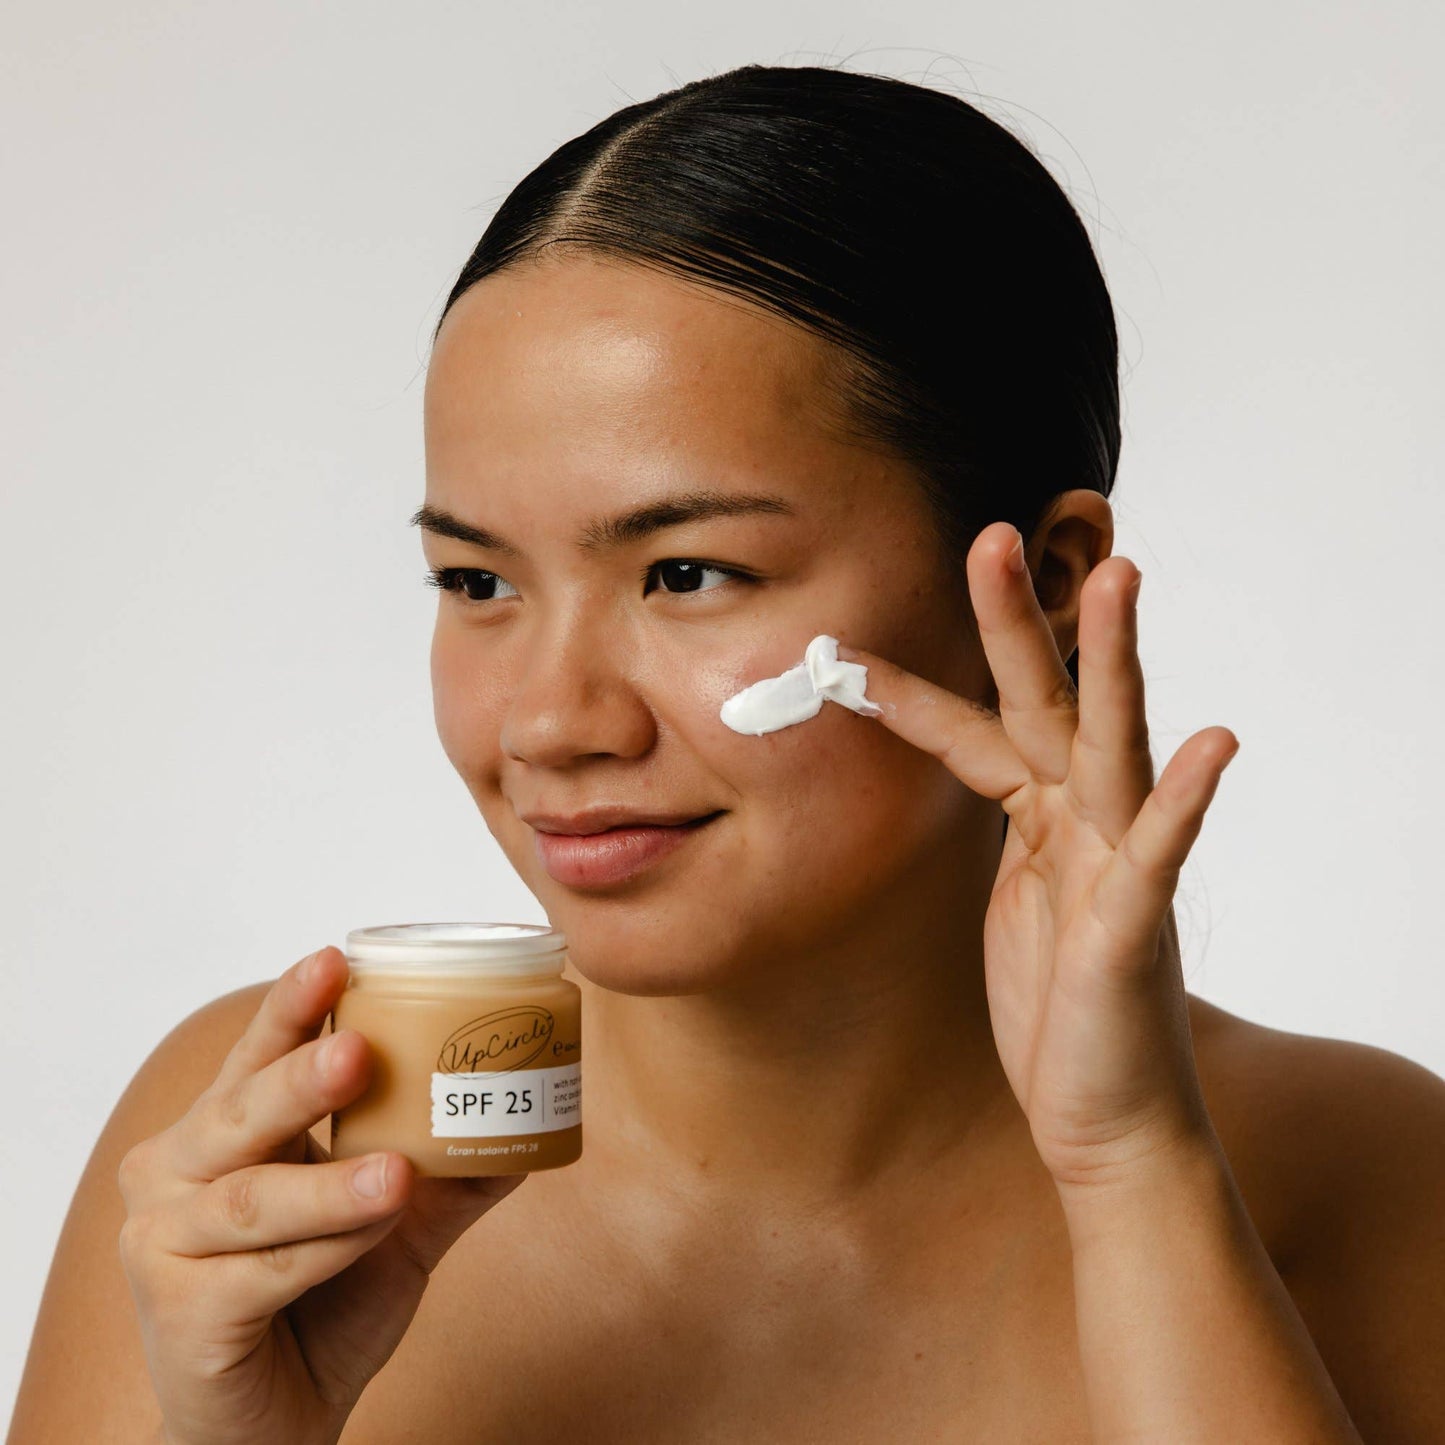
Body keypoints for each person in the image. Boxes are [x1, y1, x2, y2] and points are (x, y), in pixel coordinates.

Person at [11, 62, 1444, 1444]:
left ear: (1050, 578)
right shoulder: (273, 1143)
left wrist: (1133, 1170)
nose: (552, 722)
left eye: (688, 574)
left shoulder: (1369, 1171)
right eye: (476, 581)